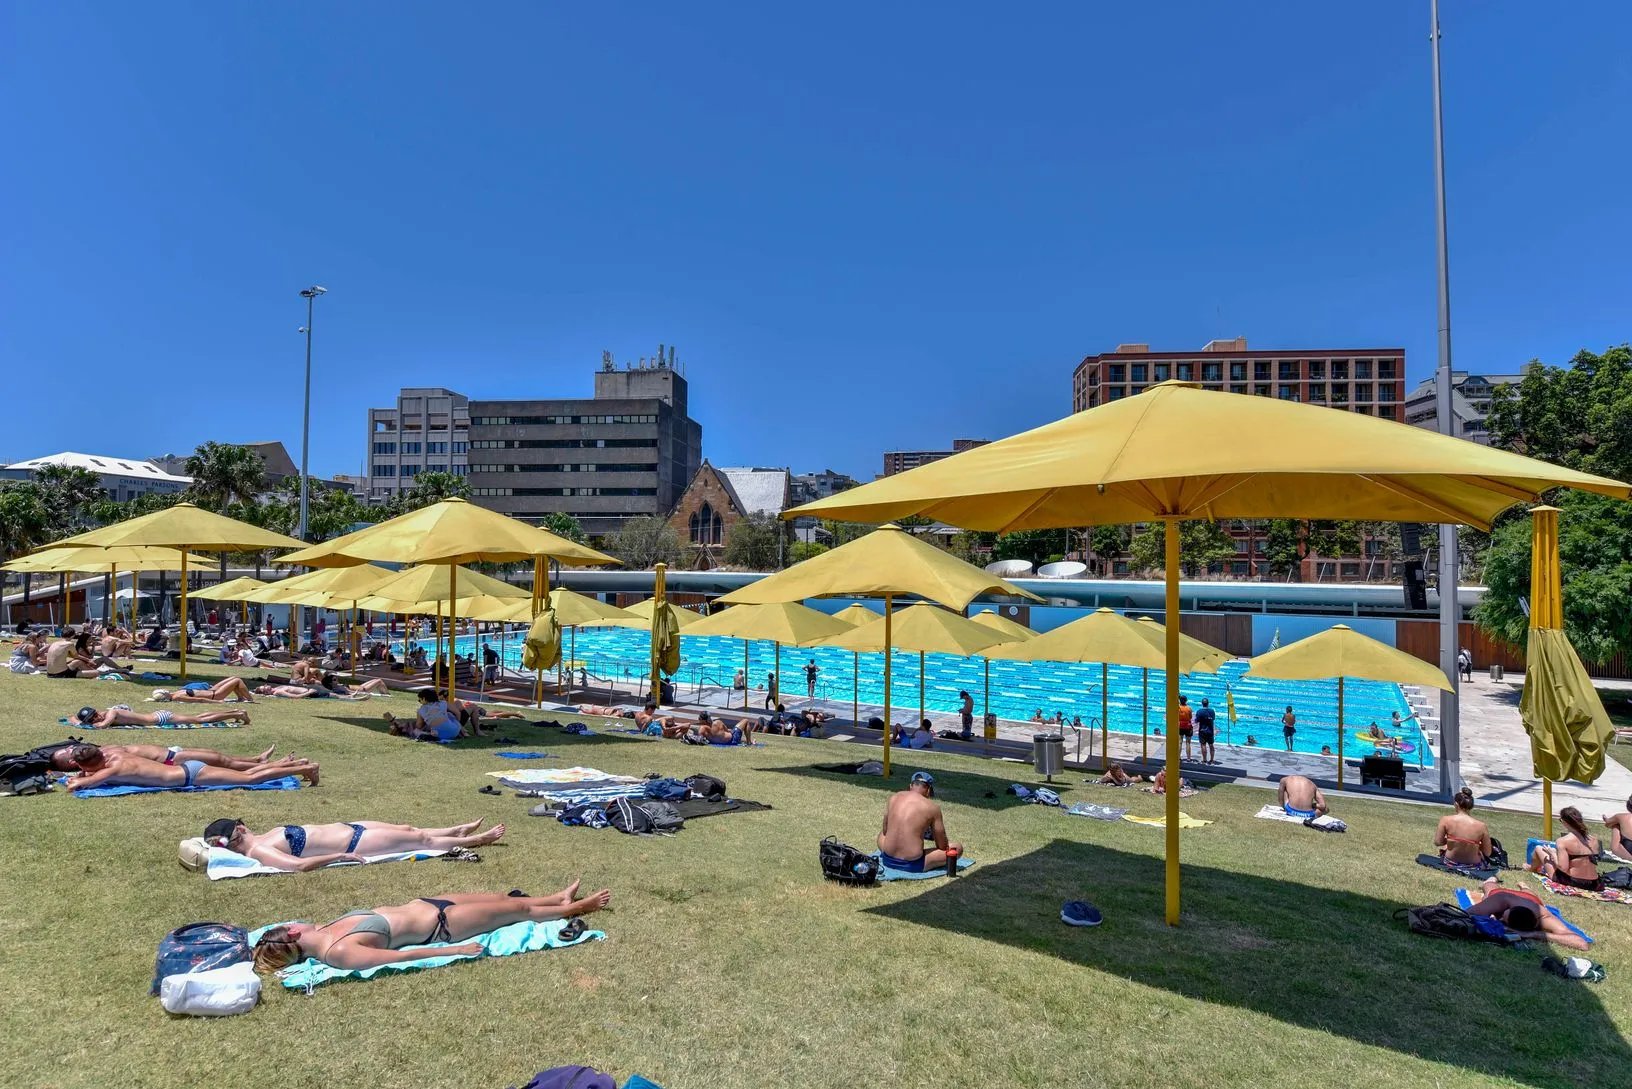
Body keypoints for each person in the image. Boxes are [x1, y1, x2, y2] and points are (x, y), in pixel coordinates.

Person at [251, 882, 612, 972]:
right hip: (443, 927)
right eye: (288, 925)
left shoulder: (323, 928)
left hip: (428, 904)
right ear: (294, 935)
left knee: (499, 898)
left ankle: (556, 899)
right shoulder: (338, 952)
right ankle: (579, 907)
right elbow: (394, 957)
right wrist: (454, 949)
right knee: (516, 910)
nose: (291, 921)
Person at [204, 816, 506, 870]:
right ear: (240, 830)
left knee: (408, 829)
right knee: (419, 840)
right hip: (356, 843)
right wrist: (337, 856)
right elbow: (298, 866)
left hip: (352, 828)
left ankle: (457, 830)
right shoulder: (259, 849)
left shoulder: (262, 839)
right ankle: (479, 839)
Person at [61, 742, 317, 790]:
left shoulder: (111, 770)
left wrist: (78, 778)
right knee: (246, 772)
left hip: (191, 775)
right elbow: (91, 771)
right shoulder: (112, 755)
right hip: (187, 769)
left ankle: (302, 769)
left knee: (248, 778)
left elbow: (80, 783)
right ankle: (295, 764)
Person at [1465, 878, 1590, 950]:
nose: (1501, 918)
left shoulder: (1544, 916)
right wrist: (1491, 917)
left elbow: (1582, 944)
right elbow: (1467, 913)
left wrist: (1532, 934)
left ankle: (1524, 886)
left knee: (1529, 894)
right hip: (1504, 895)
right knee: (1489, 889)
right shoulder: (1502, 899)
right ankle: (1493, 879)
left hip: (1531, 900)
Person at [877, 771, 960, 873]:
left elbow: (886, 831)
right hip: (913, 864)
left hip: (887, 858)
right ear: (928, 790)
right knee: (957, 848)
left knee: (881, 834)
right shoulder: (932, 807)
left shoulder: (894, 797)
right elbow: (942, 845)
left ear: (910, 786)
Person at [48, 742, 291, 774]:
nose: (71, 748)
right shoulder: (97, 761)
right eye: (68, 752)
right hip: (172, 761)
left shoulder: (99, 751)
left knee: (222, 758)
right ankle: (273, 765)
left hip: (172, 754)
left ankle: (258, 759)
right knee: (225, 763)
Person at [1528, 807, 1604, 891]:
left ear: (1564, 821)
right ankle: (1531, 867)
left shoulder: (1563, 841)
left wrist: (1552, 853)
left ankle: (1531, 868)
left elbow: (1563, 867)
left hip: (1573, 881)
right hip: (1594, 883)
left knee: (1539, 848)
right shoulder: (1594, 840)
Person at [1435, 787, 1493, 868]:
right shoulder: (1481, 826)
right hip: (1473, 865)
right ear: (1471, 806)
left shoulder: (1445, 820)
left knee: (1447, 845)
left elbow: (1438, 842)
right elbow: (1487, 853)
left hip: (1450, 862)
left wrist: (1452, 840)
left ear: (1456, 804)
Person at [74, 704, 251, 728]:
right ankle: (235, 712)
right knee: (198, 717)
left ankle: (237, 713)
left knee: (199, 719)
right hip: (158, 716)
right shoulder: (108, 714)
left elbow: (103, 726)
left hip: (161, 719)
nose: (95, 719)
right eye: (92, 719)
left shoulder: (111, 712)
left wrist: (86, 725)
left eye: (94, 715)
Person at [383, 688, 462, 743]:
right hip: (455, 731)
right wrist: (458, 724)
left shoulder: (421, 710)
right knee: (449, 714)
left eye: (419, 700)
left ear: (424, 699)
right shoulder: (443, 703)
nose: (419, 702)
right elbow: (457, 713)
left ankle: (398, 725)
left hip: (440, 735)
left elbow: (419, 726)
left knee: (421, 728)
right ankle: (461, 730)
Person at [153, 676, 256, 703]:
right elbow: (199, 700)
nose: (165, 689)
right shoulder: (178, 697)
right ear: (164, 695)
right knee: (237, 680)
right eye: (163, 691)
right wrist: (218, 703)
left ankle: (241, 698)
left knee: (234, 678)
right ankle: (250, 699)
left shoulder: (174, 694)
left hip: (211, 691)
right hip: (215, 695)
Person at [1603, 796, 1632, 860]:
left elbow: (1607, 824)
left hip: (1628, 850)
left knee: (1615, 825)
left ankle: (1627, 856)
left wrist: (1606, 819)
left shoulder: (1621, 817)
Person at [322, 672, 389, 696]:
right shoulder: (339, 688)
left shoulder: (336, 686)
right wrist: (364, 694)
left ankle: (385, 694)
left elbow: (325, 677)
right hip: (364, 690)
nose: (337, 679)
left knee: (376, 680)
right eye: (334, 679)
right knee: (379, 681)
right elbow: (350, 692)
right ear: (331, 683)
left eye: (336, 678)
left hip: (361, 686)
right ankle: (387, 695)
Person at [1195, 697, 1217, 765]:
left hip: (1202, 730)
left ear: (1202, 704)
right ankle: (1212, 760)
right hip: (1210, 731)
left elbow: (1196, 721)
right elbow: (1213, 719)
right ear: (1208, 703)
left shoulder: (1199, 712)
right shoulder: (1212, 711)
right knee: (1211, 745)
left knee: (1203, 745)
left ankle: (1204, 760)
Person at [1177, 695, 1194, 761]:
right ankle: (1188, 758)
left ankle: (1178, 757)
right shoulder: (1189, 708)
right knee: (1188, 742)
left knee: (1180, 742)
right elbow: (1190, 717)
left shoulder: (1178, 708)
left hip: (1180, 726)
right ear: (1186, 700)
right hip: (1188, 726)